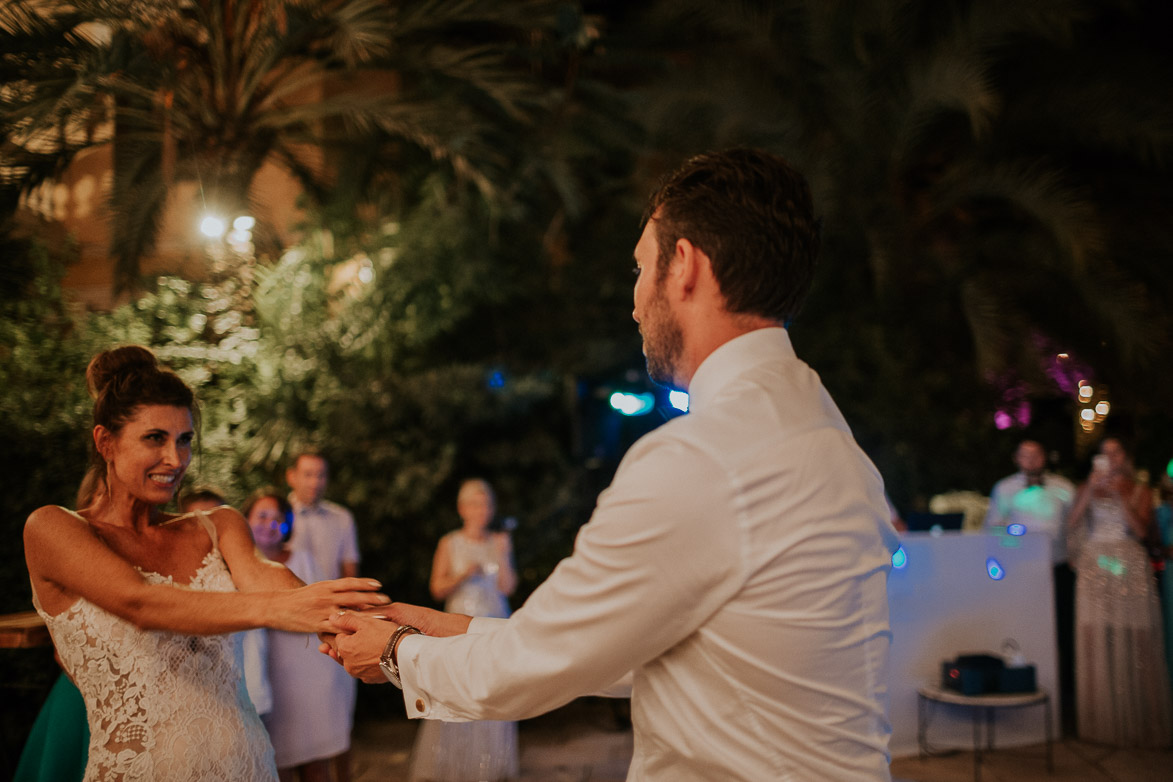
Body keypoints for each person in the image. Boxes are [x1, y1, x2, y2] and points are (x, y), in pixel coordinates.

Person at [326, 148, 900, 781]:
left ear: (684, 266)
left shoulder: (703, 457)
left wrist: (396, 654)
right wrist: (460, 631)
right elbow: (675, 650)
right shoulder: (827, 435)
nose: (633, 301)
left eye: (640, 265)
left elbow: (543, 662)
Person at [22, 345, 388, 781]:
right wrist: (276, 610)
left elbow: (265, 579)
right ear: (106, 442)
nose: (176, 460)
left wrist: (370, 631)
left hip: (247, 766)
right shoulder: (52, 530)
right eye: (155, 438)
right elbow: (141, 604)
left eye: (185, 440)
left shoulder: (218, 525)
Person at [408, 479, 519, 782]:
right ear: (462, 508)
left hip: (494, 627)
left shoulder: (497, 541)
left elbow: (507, 586)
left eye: (485, 504)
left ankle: (489, 767)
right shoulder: (449, 543)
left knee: (492, 694)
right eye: (474, 504)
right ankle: (453, 768)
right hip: (456, 630)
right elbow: (436, 588)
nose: (480, 510)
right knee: (455, 691)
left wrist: (504, 554)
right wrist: (461, 574)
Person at [244, 487, 356, 782]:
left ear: (287, 525)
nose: (270, 524)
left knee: (314, 758)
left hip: (309, 671)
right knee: (274, 760)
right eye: (262, 516)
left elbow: (324, 610)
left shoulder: (303, 560)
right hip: (264, 675)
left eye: (278, 518)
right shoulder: (238, 565)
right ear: (245, 520)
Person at [1068, 436, 1172, 746]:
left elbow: (1142, 532)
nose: (1110, 458)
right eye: (1104, 453)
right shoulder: (1087, 486)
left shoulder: (1141, 489)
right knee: (1095, 636)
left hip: (1128, 565)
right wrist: (1089, 489)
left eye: (1116, 452)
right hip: (1095, 565)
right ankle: (1101, 721)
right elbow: (1072, 523)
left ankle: (1141, 720)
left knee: (1138, 637)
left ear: (1125, 457)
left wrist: (1120, 497)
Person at [982, 439, 1077, 731]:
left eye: (1036, 454)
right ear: (1016, 458)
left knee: (1064, 634)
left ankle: (1067, 705)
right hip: (1022, 572)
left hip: (1058, 567)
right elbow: (991, 528)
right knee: (1027, 629)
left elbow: (1076, 526)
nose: (1031, 460)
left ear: (1044, 457)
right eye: (1025, 454)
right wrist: (1017, 534)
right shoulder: (1005, 488)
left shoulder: (1065, 488)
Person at [285, 451, 361, 780]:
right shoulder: (276, 514)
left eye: (321, 475)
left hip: (333, 619)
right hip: (287, 623)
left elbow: (350, 568)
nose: (315, 481)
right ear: (292, 476)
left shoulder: (341, 518)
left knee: (340, 706)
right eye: (308, 474)